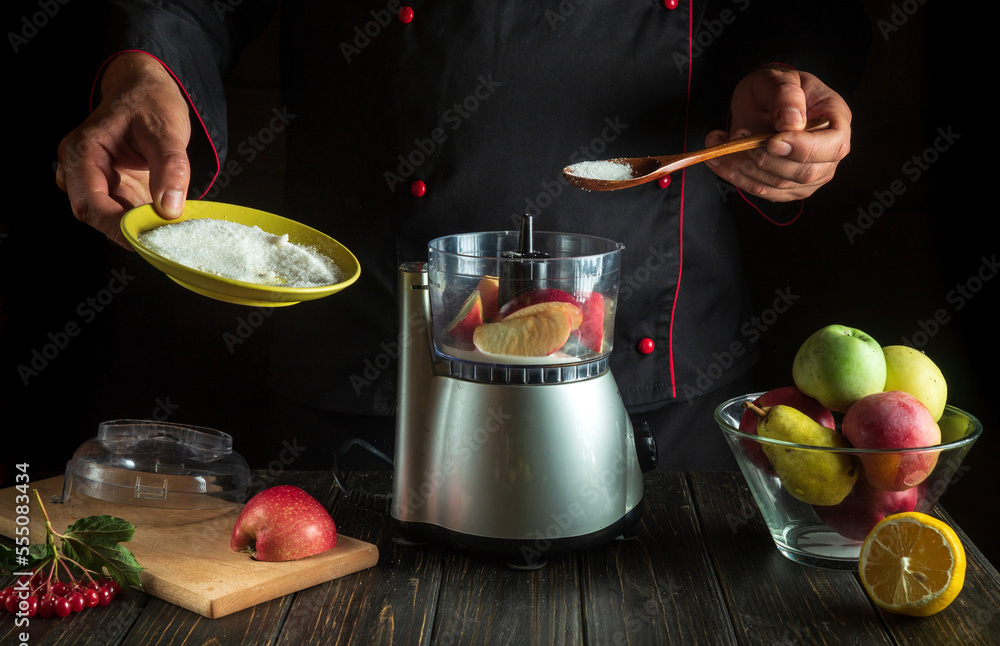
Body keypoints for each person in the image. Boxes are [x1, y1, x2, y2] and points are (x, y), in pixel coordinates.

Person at [56, 1, 870, 472]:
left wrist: (795, 78)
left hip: (659, 370)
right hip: (373, 363)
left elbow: (803, 5)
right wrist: (148, 68)